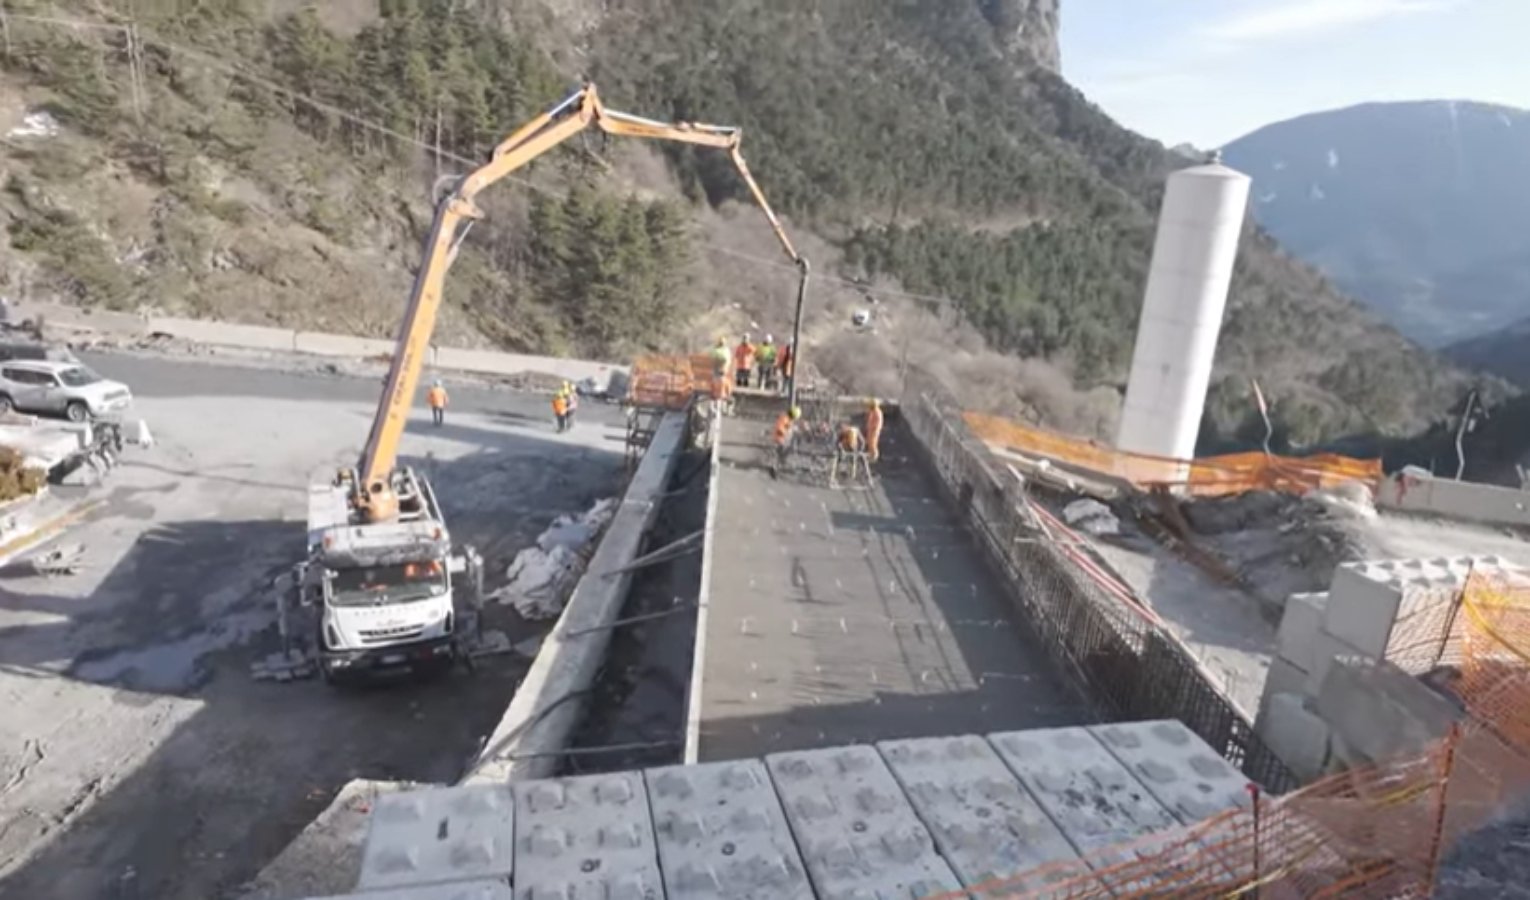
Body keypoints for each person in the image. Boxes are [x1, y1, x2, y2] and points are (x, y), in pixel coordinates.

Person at [770, 405, 801, 478]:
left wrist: (794, 429)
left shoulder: (788, 419)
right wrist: (787, 432)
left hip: (783, 440)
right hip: (780, 440)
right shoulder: (785, 418)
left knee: (782, 455)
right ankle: (774, 469)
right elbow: (780, 429)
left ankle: (776, 468)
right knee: (780, 455)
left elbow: (790, 427)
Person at [865, 397, 884, 464]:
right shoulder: (872, 411)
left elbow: (878, 423)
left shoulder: (878, 413)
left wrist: (874, 430)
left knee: (873, 443)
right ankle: (870, 455)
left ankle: (874, 456)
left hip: (874, 430)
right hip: (871, 429)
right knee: (870, 442)